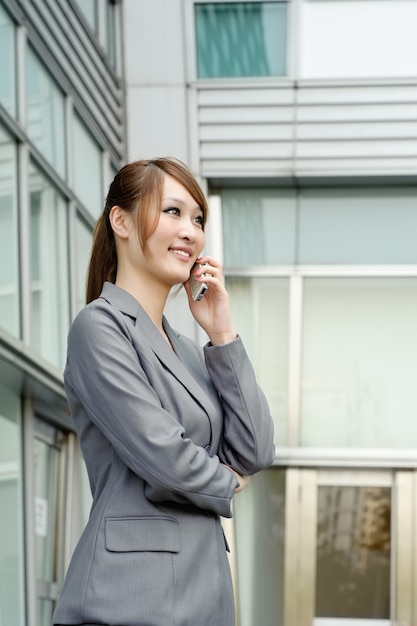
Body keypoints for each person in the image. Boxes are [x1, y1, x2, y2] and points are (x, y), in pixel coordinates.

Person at [52, 157, 275, 626]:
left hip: (203, 589)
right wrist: (228, 483)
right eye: (173, 212)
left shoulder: (192, 354)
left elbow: (254, 449)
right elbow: (163, 458)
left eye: (198, 219)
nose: (191, 231)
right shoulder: (99, 327)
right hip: (130, 594)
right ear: (122, 221)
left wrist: (222, 333)